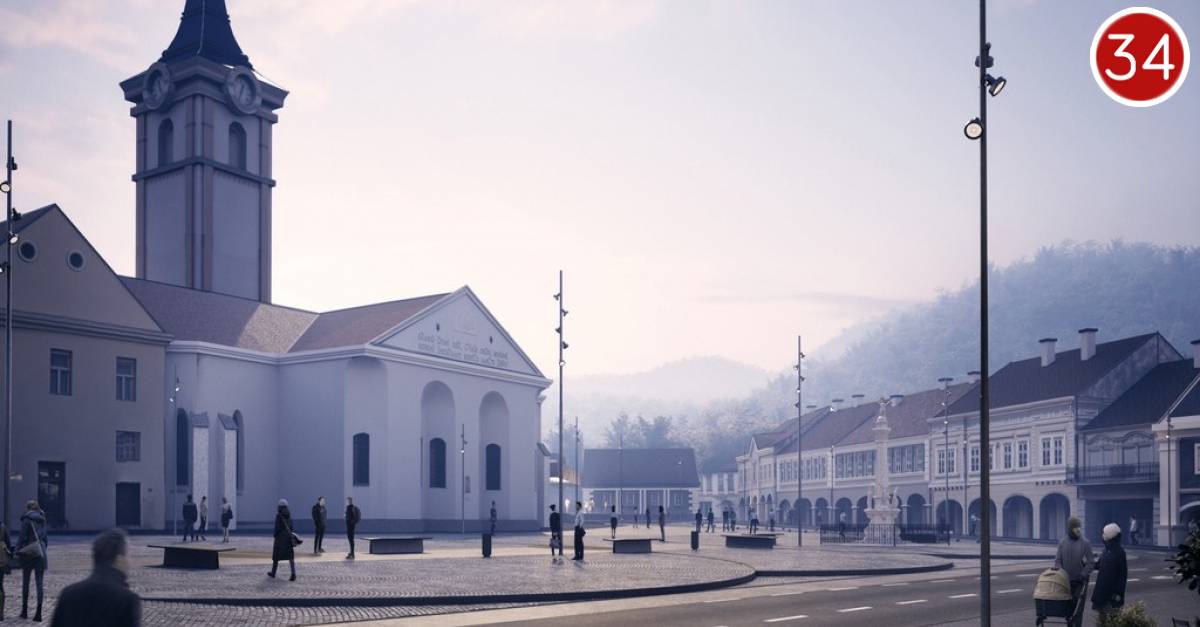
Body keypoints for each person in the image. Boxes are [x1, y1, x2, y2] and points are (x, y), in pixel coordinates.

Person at [49, 528, 140, 627]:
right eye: (128, 555)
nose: (130, 561)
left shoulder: (68, 594)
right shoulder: (127, 599)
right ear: (119, 559)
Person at [1054, 516, 1094, 627]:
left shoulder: (1085, 543)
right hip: (1066, 582)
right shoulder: (1062, 543)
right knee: (1068, 608)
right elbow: (1058, 561)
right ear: (1070, 528)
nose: (1078, 530)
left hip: (1080, 583)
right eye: (1075, 527)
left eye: (1079, 527)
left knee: (1078, 609)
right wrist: (1061, 574)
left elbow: (1091, 562)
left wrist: (1083, 574)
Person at [18, 500, 48, 622]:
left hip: (29, 551)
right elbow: (46, 538)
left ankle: (24, 611)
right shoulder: (43, 519)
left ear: (28, 508)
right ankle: (38, 613)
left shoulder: (27, 519)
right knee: (39, 583)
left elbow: (21, 537)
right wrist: (43, 548)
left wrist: (17, 550)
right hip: (41, 551)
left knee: (26, 581)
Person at [1092, 522, 1127, 625]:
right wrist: (1088, 563)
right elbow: (1099, 565)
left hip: (1112, 596)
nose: (1102, 536)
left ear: (1110, 536)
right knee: (1102, 620)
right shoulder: (1106, 550)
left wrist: (1118, 594)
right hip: (1102, 593)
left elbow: (1122, 575)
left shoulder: (1120, 553)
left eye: (1104, 533)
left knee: (1113, 621)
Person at [268, 499, 297, 581]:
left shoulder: (279, 516)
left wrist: (275, 535)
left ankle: (273, 572)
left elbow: (277, 528)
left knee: (276, 556)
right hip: (288, 538)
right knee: (290, 557)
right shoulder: (289, 515)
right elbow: (291, 526)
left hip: (280, 539)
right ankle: (293, 574)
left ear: (279, 506)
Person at [0, 519, 11, 621]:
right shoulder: (3, 527)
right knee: (0, 585)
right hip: (1, 559)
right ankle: (1, 613)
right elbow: (9, 544)